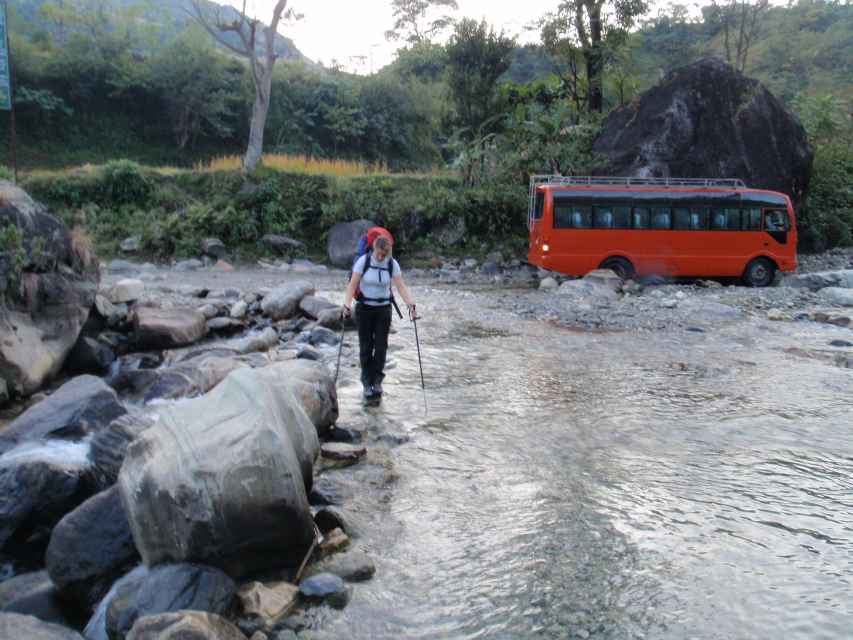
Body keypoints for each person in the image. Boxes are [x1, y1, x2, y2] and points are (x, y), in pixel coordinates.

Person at [342, 235, 416, 400]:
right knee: (366, 346)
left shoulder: (391, 263)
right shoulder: (363, 261)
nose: (381, 257)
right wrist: (347, 305)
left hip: (383, 309)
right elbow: (352, 285)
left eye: (385, 254)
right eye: (379, 254)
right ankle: (367, 382)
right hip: (364, 309)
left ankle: (377, 381)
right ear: (374, 249)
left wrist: (410, 304)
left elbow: (401, 286)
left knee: (381, 347)